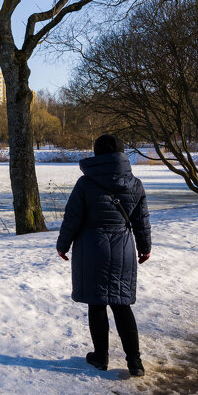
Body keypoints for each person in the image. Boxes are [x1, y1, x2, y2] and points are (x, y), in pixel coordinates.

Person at [56, 134, 151, 377]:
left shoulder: (85, 183)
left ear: (97, 153)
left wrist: (63, 244)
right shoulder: (135, 184)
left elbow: (72, 218)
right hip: (123, 249)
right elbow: (142, 221)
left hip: (91, 248)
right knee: (122, 305)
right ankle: (135, 362)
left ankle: (101, 357)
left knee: (97, 303)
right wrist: (144, 247)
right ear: (121, 154)